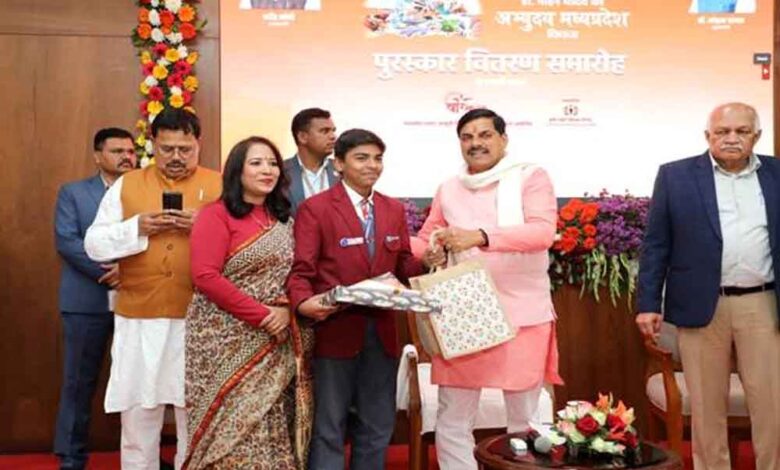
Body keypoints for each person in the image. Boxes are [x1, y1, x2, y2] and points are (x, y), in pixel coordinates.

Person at [411, 108, 563, 470]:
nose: (475, 143)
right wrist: (429, 250)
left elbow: (542, 232)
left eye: (485, 135)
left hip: (522, 314)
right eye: (467, 137)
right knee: (453, 415)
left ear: (503, 139)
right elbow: (423, 237)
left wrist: (480, 236)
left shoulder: (530, 177)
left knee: (524, 420)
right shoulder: (449, 187)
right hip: (463, 312)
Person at [636, 102, 780, 470]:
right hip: (701, 305)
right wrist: (648, 304)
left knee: (772, 404)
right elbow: (656, 245)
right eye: (722, 132)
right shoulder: (675, 176)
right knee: (706, 407)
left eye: (741, 131)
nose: (731, 138)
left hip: (762, 303)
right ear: (708, 136)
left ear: (756, 136)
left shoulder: (777, 174)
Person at [287, 129, 438, 470]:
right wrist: (302, 304)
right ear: (338, 164)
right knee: (329, 428)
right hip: (334, 332)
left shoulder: (392, 208)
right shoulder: (316, 209)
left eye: (377, 158)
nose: (372, 165)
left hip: (382, 334)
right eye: (361, 158)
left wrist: (426, 261)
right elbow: (301, 271)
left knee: (377, 426)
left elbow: (402, 266)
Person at [84, 109, 222, 470]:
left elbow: (245, 246)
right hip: (139, 317)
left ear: (199, 144)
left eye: (184, 149)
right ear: (152, 145)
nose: (176, 157)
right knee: (138, 415)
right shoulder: (127, 185)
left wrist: (205, 226)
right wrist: (136, 228)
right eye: (167, 149)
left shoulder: (222, 185)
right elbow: (94, 244)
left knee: (197, 415)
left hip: (202, 319)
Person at [184, 136, 313, 469]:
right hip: (223, 336)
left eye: (272, 164)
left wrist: (286, 309)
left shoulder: (283, 219)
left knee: (273, 420)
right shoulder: (216, 215)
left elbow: (295, 274)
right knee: (228, 429)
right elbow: (205, 276)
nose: (267, 170)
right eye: (256, 163)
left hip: (276, 340)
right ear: (237, 171)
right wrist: (263, 316)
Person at [53, 128, 137, 470]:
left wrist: (128, 272)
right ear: (98, 156)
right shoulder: (73, 193)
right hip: (86, 301)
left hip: (138, 301)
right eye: (117, 151)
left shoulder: (144, 190)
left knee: (138, 382)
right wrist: (111, 271)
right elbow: (67, 241)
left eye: (130, 151)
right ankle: (71, 456)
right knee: (79, 381)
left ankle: (140, 455)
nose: (126, 157)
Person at [283, 108, 339, 214]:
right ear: (302, 137)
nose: (333, 136)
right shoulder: (279, 172)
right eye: (324, 131)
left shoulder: (343, 171)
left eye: (333, 131)